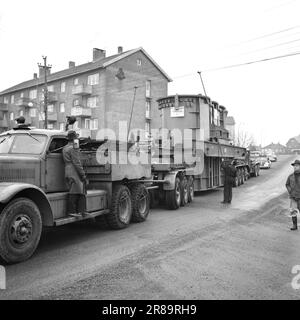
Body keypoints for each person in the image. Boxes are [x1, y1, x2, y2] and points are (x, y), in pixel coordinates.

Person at [62, 130, 88, 217]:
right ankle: (72, 211)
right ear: (74, 139)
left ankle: (81, 211)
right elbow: (77, 162)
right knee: (76, 190)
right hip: (74, 170)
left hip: (68, 170)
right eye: (76, 138)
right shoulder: (73, 148)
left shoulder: (65, 148)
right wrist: (83, 175)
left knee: (77, 190)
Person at [286, 159, 300, 231]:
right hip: (293, 197)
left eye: (297, 166)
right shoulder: (290, 176)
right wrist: (290, 191)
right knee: (293, 211)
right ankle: (295, 225)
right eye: (294, 166)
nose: (295, 167)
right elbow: (287, 184)